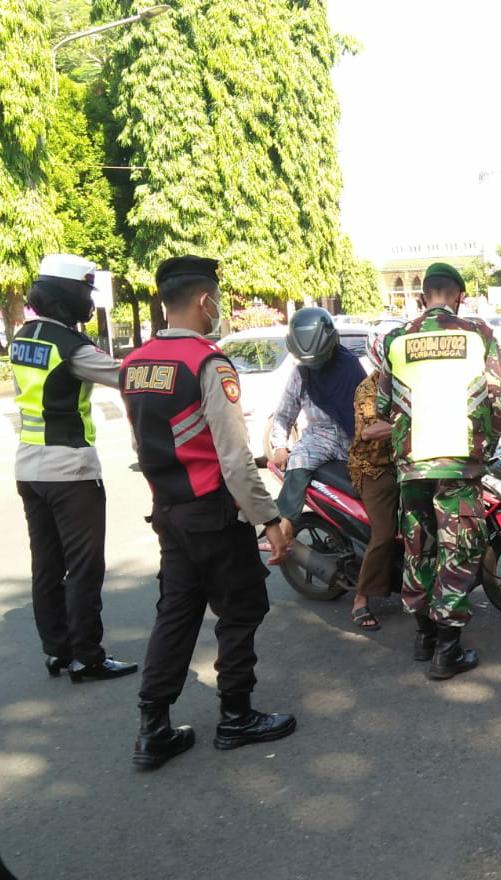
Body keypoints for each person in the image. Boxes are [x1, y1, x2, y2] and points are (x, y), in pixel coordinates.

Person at [120, 256, 295, 770]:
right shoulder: (207, 363)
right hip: (213, 514)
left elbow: (141, 444)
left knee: (176, 614)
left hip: (169, 512)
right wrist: (268, 519)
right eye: (216, 299)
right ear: (204, 300)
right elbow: (234, 458)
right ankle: (236, 717)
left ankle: (153, 728)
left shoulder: (134, 364)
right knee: (241, 610)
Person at [375, 263, 501, 679]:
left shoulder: (396, 338)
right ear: (460, 298)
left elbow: (383, 406)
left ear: (423, 297)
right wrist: (485, 445)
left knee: (419, 547)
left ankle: (424, 637)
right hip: (458, 463)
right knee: (459, 550)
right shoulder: (478, 334)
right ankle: (447, 652)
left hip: (413, 466)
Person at [10, 254, 137, 683]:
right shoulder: (71, 347)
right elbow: (126, 376)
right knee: (84, 567)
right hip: (71, 471)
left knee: (46, 565)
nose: (90, 300)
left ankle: (57, 651)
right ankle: (88, 656)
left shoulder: (23, 337)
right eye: (85, 291)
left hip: (29, 468)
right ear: (67, 295)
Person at [269, 307, 366, 598]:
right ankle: (286, 522)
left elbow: (369, 405)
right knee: (299, 461)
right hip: (319, 436)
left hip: (355, 439)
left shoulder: (351, 366)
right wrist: (280, 445)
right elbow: (283, 414)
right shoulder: (301, 374)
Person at [344, 335, 400, 629]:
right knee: (384, 533)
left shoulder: (412, 383)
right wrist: (408, 423)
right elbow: (368, 432)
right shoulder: (369, 388)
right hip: (374, 468)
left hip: (407, 465)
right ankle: (361, 598)